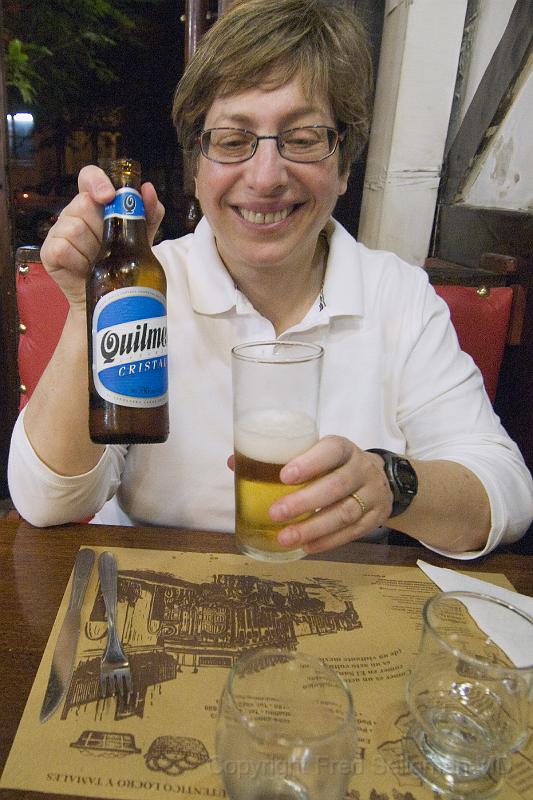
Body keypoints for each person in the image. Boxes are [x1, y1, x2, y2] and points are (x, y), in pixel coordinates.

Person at [8, 0, 533, 558]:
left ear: (344, 163)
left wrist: (392, 486)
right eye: (233, 141)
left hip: (335, 611)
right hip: (155, 607)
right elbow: (46, 501)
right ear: (197, 166)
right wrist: (85, 305)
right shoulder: (148, 291)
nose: (265, 177)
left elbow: (506, 490)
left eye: (303, 138)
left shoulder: (396, 295)